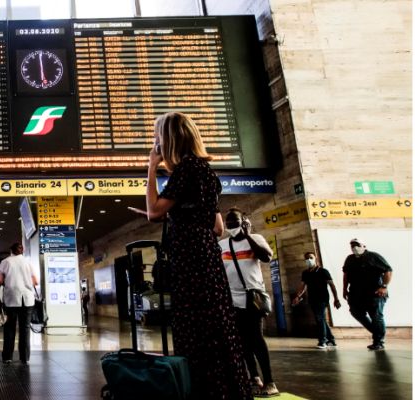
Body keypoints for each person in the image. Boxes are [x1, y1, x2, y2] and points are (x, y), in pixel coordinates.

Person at [137, 112, 251, 399]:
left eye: (157, 135)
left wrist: (151, 167)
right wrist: (180, 216)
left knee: (195, 326)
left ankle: (204, 389)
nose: (155, 142)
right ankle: (227, 388)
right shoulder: (206, 172)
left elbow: (152, 211)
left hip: (190, 258)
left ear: (169, 139)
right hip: (206, 254)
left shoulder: (186, 170)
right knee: (216, 323)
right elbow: (218, 226)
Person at [219, 209, 279, 397]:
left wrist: (248, 236)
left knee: (256, 339)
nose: (231, 226)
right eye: (228, 223)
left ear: (244, 221)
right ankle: (254, 377)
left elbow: (266, 257)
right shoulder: (222, 245)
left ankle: (270, 381)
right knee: (242, 341)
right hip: (232, 299)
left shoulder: (256, 239)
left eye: (235, 222)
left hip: (253, 297)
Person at [342, 239, 393, 351]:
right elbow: (345, 274)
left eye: (357, 245)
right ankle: (377, 332)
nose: (355, 247)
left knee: (376, 316)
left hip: (374, 293)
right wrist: (344, 289)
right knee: (355, 312)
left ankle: (378, 341)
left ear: (364, 246)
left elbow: (388, 270)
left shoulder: (373, 256)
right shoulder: (350, 259)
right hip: (356, 293)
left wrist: (384, 286)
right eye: (352, 246)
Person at [0, 242, 38, 364]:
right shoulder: (27, 262)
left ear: (11, 251)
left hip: (11, 299)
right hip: (27, 299)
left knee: (9, 328)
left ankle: (7, 357)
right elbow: (36, 281)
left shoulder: (5, 262)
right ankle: (24, 357)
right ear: (22, 251)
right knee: (25, 328)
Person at [293, 252, 341, 349]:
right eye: (306, 258)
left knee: (319, 318)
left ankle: (322, 341)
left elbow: (332, 285)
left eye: (311, 258)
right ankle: (331, 340)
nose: (309, 260)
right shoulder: (305, 273)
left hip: (322, 298)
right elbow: (303, 286)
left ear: (315, 259)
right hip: (312, 298)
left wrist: (336, 299)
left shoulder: (323, 271)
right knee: (321, 319)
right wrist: (297, 296)